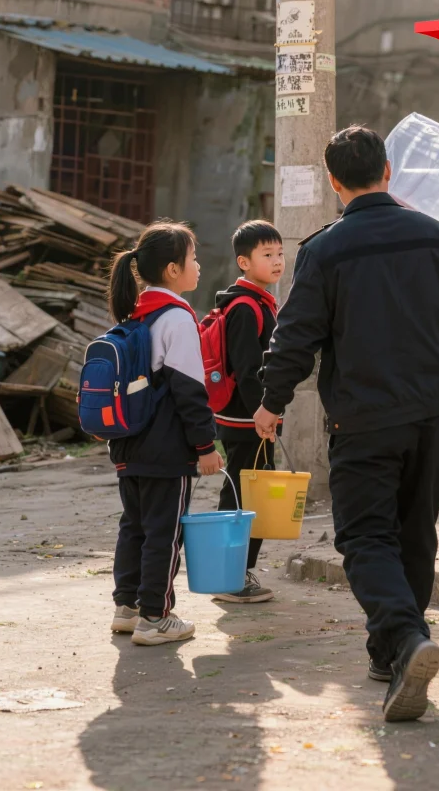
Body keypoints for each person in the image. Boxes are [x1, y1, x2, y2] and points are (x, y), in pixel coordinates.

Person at [254, 124, 439, 722]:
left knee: (366, 538)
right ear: (389, 172)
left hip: (364, 418)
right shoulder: (435, 234)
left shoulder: (326, 250)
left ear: (334, 182)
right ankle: (389, 652)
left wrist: (273, 399)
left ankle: (404, 639)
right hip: (430, 414)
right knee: (415, 531)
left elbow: (296, 336)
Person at [107, 221, 224, 647]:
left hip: (128, 443)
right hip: (166, 446)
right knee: (165, 531)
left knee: (134, 526)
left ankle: (128, 606)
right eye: (193, 259)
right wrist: (206, 446)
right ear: (173, 270)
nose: (198, 266)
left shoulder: (136, 311)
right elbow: (189, 391)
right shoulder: (177, 316)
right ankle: (156, 616)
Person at [209, 219, 284, 605]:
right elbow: (248, 369)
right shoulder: (244, 307)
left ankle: (235, 572)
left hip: (250, 419)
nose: (277, 261)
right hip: (246, 421)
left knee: (242, 495)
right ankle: (231, 576)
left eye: (280, 253)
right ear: (243, 261)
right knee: (242, 499)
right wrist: (264, 412)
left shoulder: (256, 302)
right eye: (267, 255)